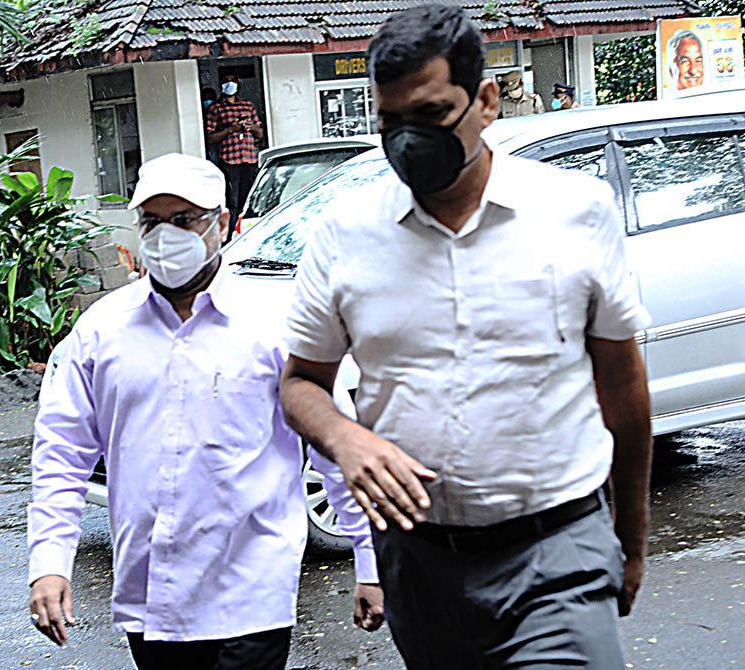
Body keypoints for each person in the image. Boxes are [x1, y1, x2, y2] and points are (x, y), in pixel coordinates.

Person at [279, 5, 653, 669]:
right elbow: (301, 383)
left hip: (556, 545)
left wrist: (632, 535)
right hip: (418, 561)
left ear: (485, 101)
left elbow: (621, 386)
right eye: (389, 123)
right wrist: (343, 437)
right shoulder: (343, 233)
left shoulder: (575, 211)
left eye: (429, 116)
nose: (407, 141)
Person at [27, 153, 383, 670]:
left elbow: (334, 446)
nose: (165, 236)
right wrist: (49, 563)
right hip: (151, 594)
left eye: (183, 220)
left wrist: (369, 558)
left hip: (251, 592)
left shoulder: (275, 325)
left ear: (220, 223)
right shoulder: (101, 332)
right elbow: (61, 454)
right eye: (151, 222)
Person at [205, 73, 263, 241]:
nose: (230, 84)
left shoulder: (247, 106)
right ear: (221, 85)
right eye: (226, 81)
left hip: (249, 159)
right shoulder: (216, 108)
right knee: (232, 201)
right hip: (230, 161)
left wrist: (249, 127)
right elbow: (210, 137)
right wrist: (231, 129)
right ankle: (231, 237)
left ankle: (248, 234)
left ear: (238, 83)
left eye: (233, 81)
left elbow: (260, 132)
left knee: (250, 200)